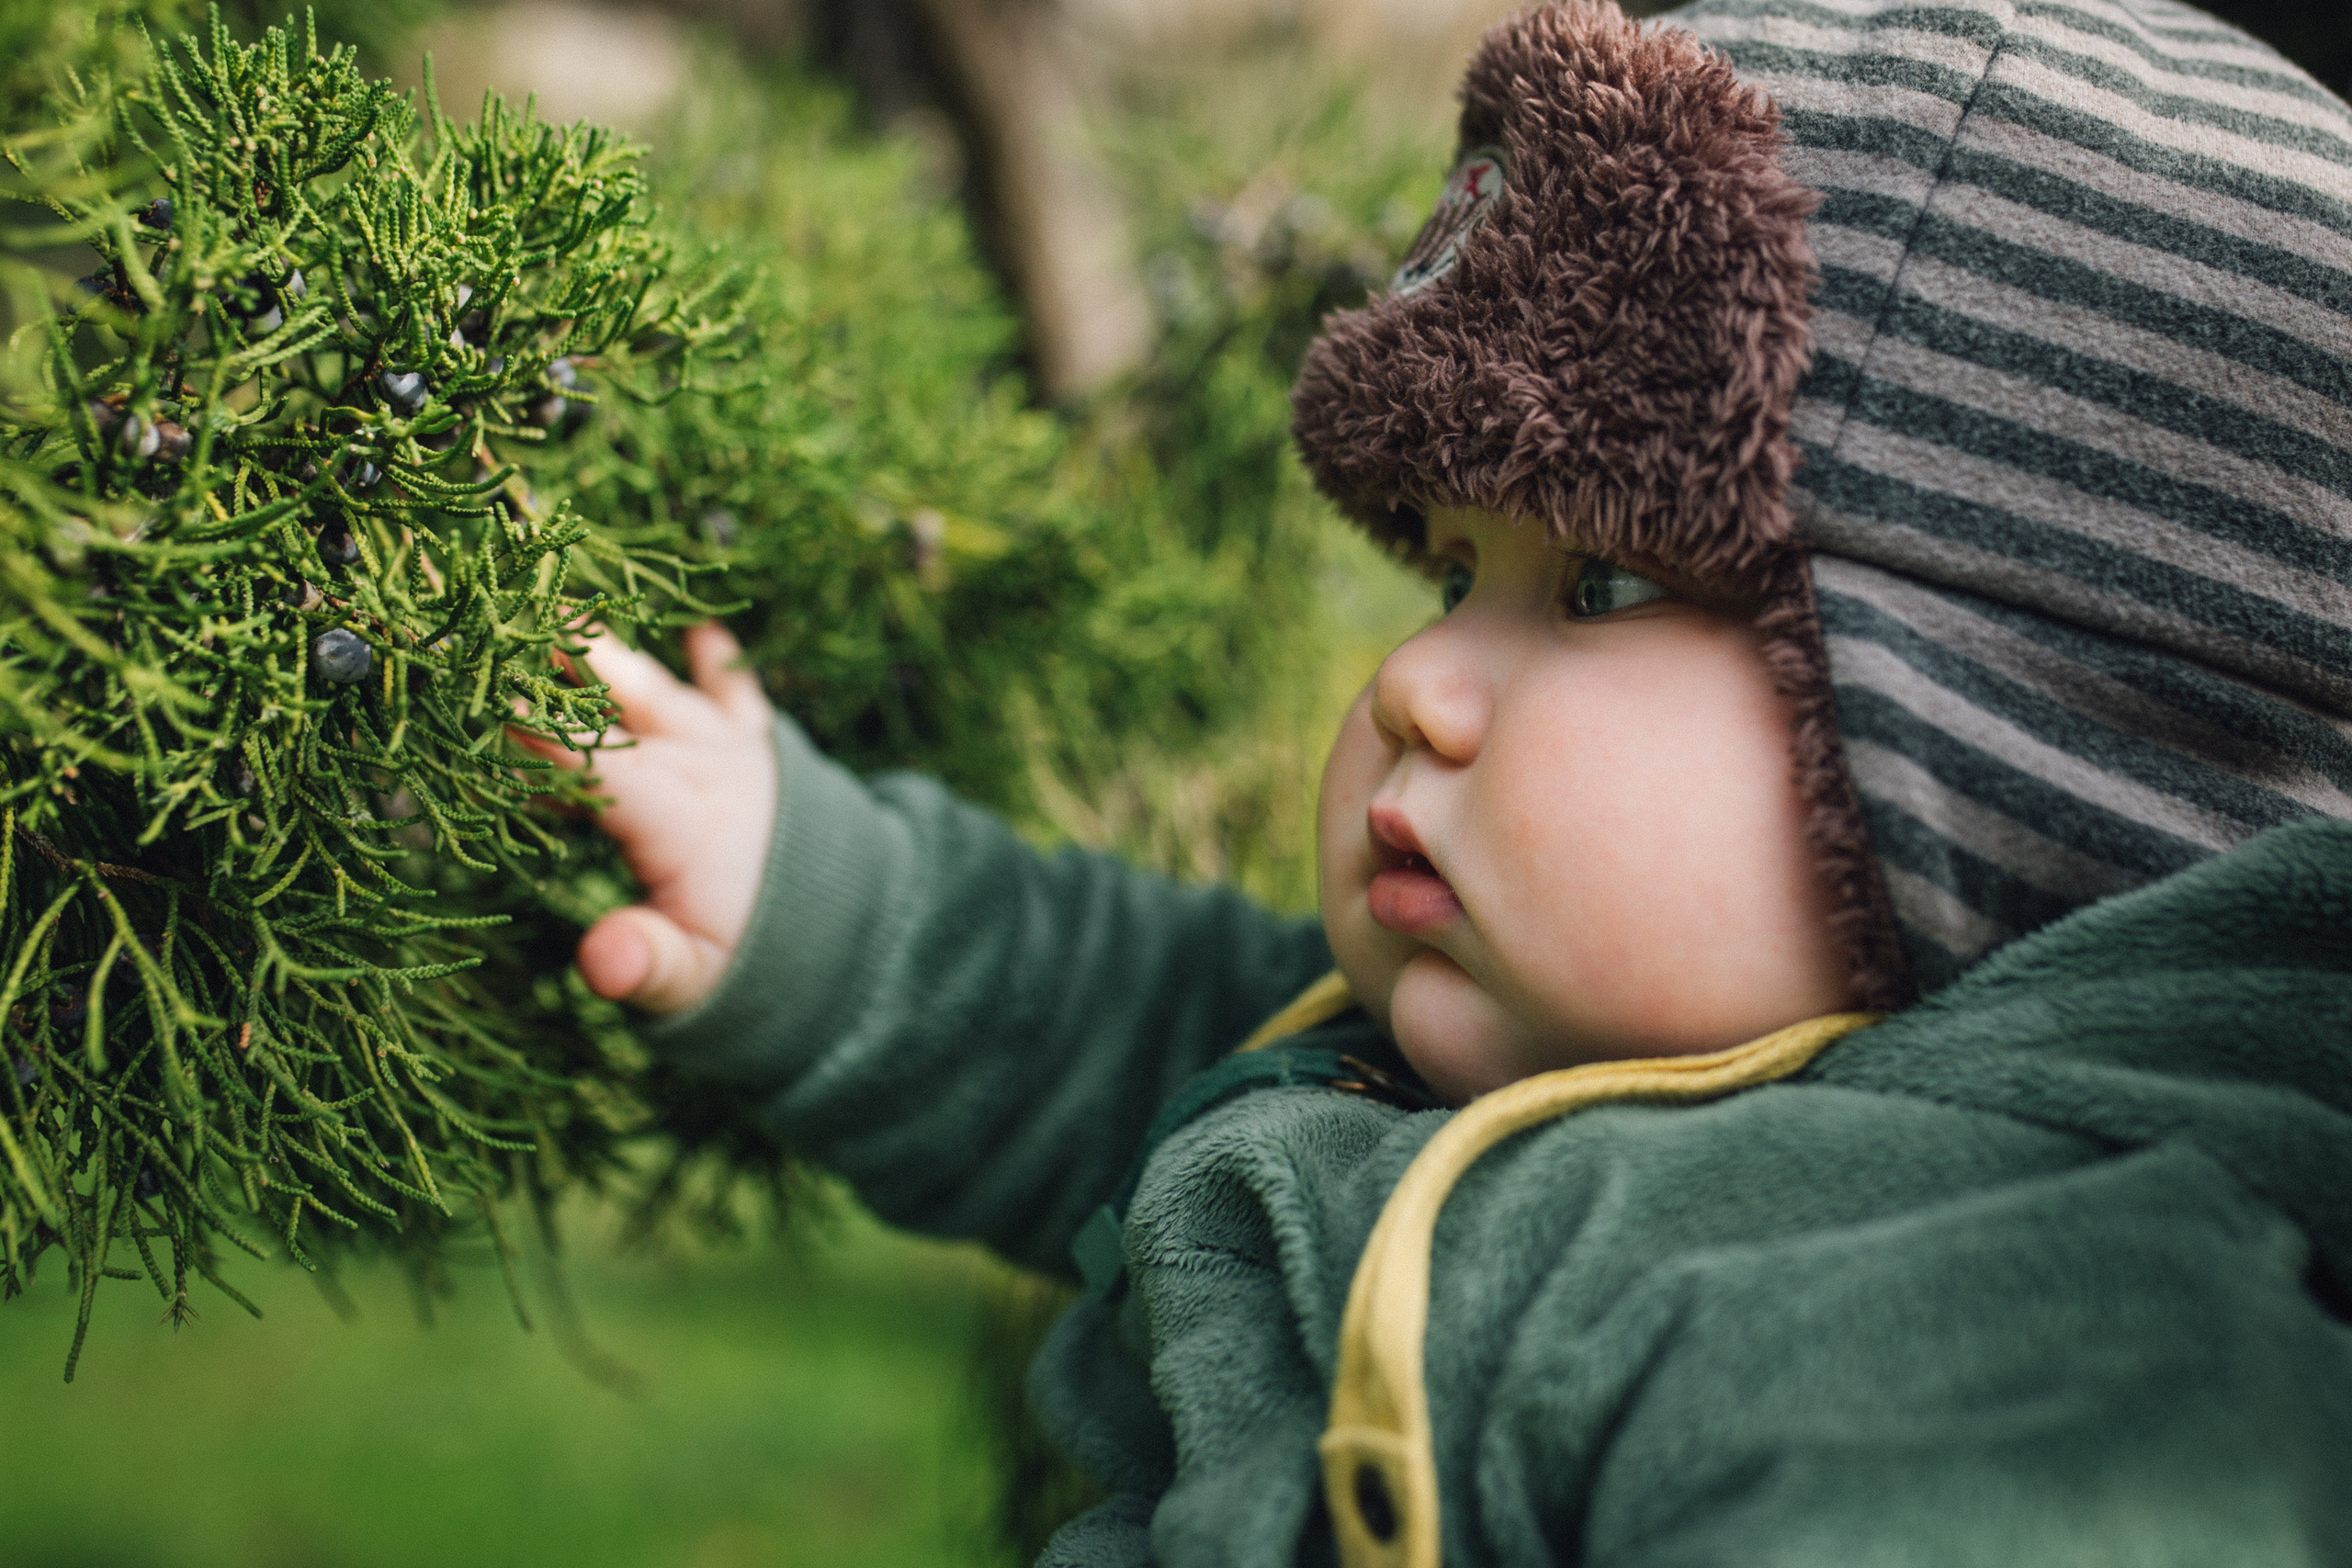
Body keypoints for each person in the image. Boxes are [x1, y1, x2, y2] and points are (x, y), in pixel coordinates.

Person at [526, 1, 2352, 1562]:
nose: (1412, 677)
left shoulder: (2022, 1334)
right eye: (1453, 573)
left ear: (2028, 756)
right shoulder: (1487, 1072)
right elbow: (1131, 1037)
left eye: (1607, 583)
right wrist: (816, 896)